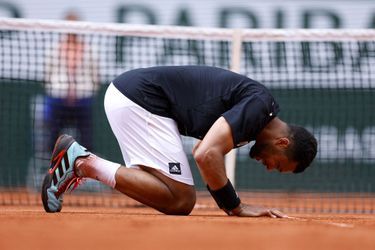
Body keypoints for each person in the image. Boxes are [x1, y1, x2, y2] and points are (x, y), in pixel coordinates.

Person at [41, 65, 317, 217]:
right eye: (278, 165)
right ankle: (81, 162)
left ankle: (81, 163)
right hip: (141, 100)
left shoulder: (257, 119)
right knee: (181, 200)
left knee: (171, 195)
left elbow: (204, 151)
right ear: (282, 143)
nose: (269, 168)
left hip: (136, 100)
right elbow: (206, 154)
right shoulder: (259, 107)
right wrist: (236, 207)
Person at [43, 10, 99, 151]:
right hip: (57, 98)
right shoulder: (53, 49)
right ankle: (53, 168)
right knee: (53, 138)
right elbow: (47, 75)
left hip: (83, 99)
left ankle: (85, 167)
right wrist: (58, 89)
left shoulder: (90, 50)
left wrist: (85, 91)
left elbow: (95, 76)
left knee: (86, 138)